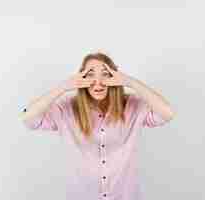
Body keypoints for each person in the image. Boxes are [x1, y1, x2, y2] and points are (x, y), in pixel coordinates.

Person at [18, 52, 175, 200]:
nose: (97, 82)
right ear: (81, 78)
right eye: (90, 75)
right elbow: (28, 118)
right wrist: (64, 87)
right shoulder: (67, 108)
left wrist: (130, 82)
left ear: (115, 77)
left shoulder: (132, 105)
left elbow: (167, 113)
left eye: (105, 74)